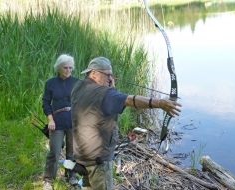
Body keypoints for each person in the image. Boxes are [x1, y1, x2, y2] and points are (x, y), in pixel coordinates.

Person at [70, 57, 182, 190]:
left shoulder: (78, 85)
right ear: (94, 73)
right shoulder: (105, 94)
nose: (111, 79)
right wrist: (159, 103)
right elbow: (130, 100)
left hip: (81, 154)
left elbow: (98, 101)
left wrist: (108, 88)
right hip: (98, 160)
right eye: (107, 75)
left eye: (112, 75)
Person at [42, 54, 79, 190]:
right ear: (58, 67)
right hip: (56, 122)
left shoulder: (76, 82)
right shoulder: (50, 83)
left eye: (70, 68)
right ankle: (48, 179)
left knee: (72, 152)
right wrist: (50, 120)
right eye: (65, 68)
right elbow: (46, 103)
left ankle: (71, 174)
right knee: (54, 151)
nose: (68, 70)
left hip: (73, 122)